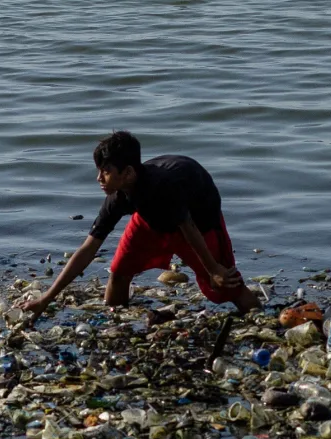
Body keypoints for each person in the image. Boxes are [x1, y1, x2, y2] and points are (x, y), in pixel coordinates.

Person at [21, 131, 262, 316]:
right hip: (150, 220)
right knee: (119, 272)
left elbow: (188, 229)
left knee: (224, 286)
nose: (98, 179)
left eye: (105, 172)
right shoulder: (117, 198)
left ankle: (261, 318)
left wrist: (214, 269)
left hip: (199, 224)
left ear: (127, 173)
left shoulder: (164, 186)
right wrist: (46, 299)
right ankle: (117, 319)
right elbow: (87, 250)